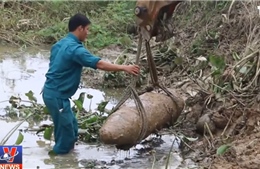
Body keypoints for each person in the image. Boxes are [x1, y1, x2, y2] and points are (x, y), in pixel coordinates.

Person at [41, 13, 140, 155]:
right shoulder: (75, 49)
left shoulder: (60, 44)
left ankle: (67, 154)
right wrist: (124, 68)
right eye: (87, 29)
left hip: (53, 93)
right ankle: (59, 160)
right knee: (66, 135)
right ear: (80, 28)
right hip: (57, 97)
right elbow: (99, 64)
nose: (88, 33)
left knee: (71, 128)